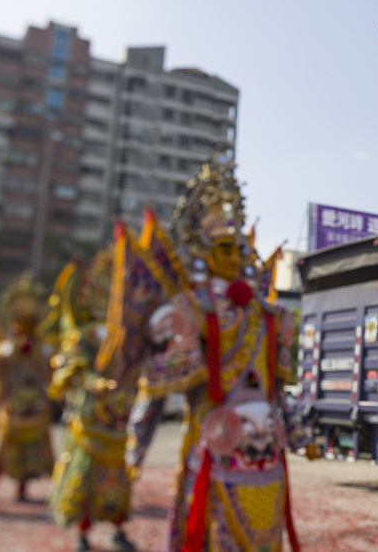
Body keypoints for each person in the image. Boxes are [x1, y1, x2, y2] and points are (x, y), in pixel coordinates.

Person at [113, 155, 302, 552]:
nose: (236, 257)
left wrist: (298, 432)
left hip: (266, 451)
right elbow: (156, 386)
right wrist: (137, 444)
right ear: (205, 251)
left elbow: (276, 386)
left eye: (239, 248)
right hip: (215, 443)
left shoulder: (268, 313)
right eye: (225, 249)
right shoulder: (189, 310)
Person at [47, 253, 136, 552]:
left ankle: (118, 528)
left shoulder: (125, 334)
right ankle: (83, 532)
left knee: (118, 479)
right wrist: (93, 382)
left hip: (119, 418)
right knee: (86, 476)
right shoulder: (85, 334)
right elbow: (74, 367)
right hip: (90, 416)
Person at [0, 272, 54, 502]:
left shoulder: (43, 350)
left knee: (42, 452)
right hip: (12, 408)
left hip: (37, 408)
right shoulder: (4, 350)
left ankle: (47, 489)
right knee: (2, 452)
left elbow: (52, 373)